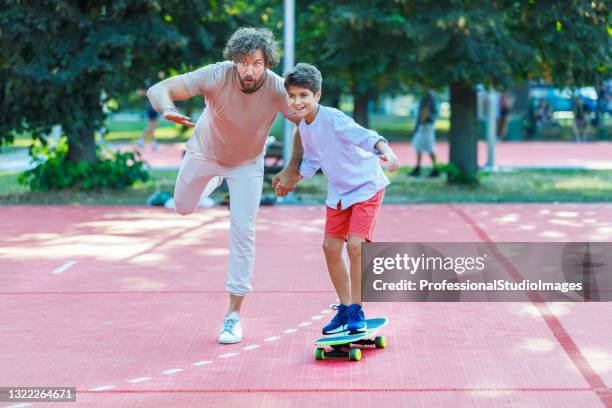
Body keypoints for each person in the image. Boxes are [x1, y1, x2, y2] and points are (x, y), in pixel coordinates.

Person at [146, 27, 301, 344]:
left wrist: (293, 168)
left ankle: (233, 315)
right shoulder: (217, 75)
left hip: (247, 163)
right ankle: (214, 180)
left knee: (243, 231)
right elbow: (158, 89)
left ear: (267, 63)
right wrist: (168, 109)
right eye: (243, 63)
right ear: (233, 62)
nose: (249, 70)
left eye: (256, 63)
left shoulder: (276, 88)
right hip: (204, 154)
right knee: (183, 207)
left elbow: (306, 123)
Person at [281, 63, 399, 334]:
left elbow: (365, 136)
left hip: (366, 186)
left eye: (304, 95)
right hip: (339, 192)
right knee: (330, 247)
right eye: (293, 96)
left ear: (317, 95)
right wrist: (291, 179)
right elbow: (311, 160)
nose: (297, 101)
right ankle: (345, 309)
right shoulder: (303, 128)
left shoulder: (333, 119)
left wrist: (387, 150)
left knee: (355, 246)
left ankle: (357, 309)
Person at [409, 89, 439, 177]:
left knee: (429, 147)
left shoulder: (428, 96)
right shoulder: (430, 95)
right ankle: (419, 168)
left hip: (425, 125)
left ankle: (435, 168)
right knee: (420, 147)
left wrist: (420, 122)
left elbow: (425, 111)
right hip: (426, 125)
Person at [137, 85, 160, 151]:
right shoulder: (151, 84)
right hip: (152, 108)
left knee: (152, 126)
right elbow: (140, 92)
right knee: (152, 126)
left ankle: (144, 140)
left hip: (154, 108)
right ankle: (145, 140)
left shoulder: (155, 84)